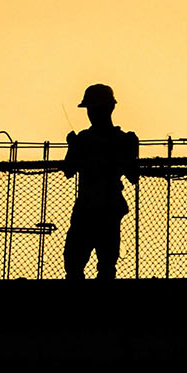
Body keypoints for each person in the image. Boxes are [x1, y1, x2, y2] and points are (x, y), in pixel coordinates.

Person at [62, 84, 139, 279]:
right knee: (77, 262)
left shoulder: (117, 140)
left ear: (109, 109)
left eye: (94, 109)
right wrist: (73, 148)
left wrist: (130, 150)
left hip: (100, 209)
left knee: (101, 265)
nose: (92, 113)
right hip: (96, 209)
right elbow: (69, 170)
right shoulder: (90, 140)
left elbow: (132, 175)